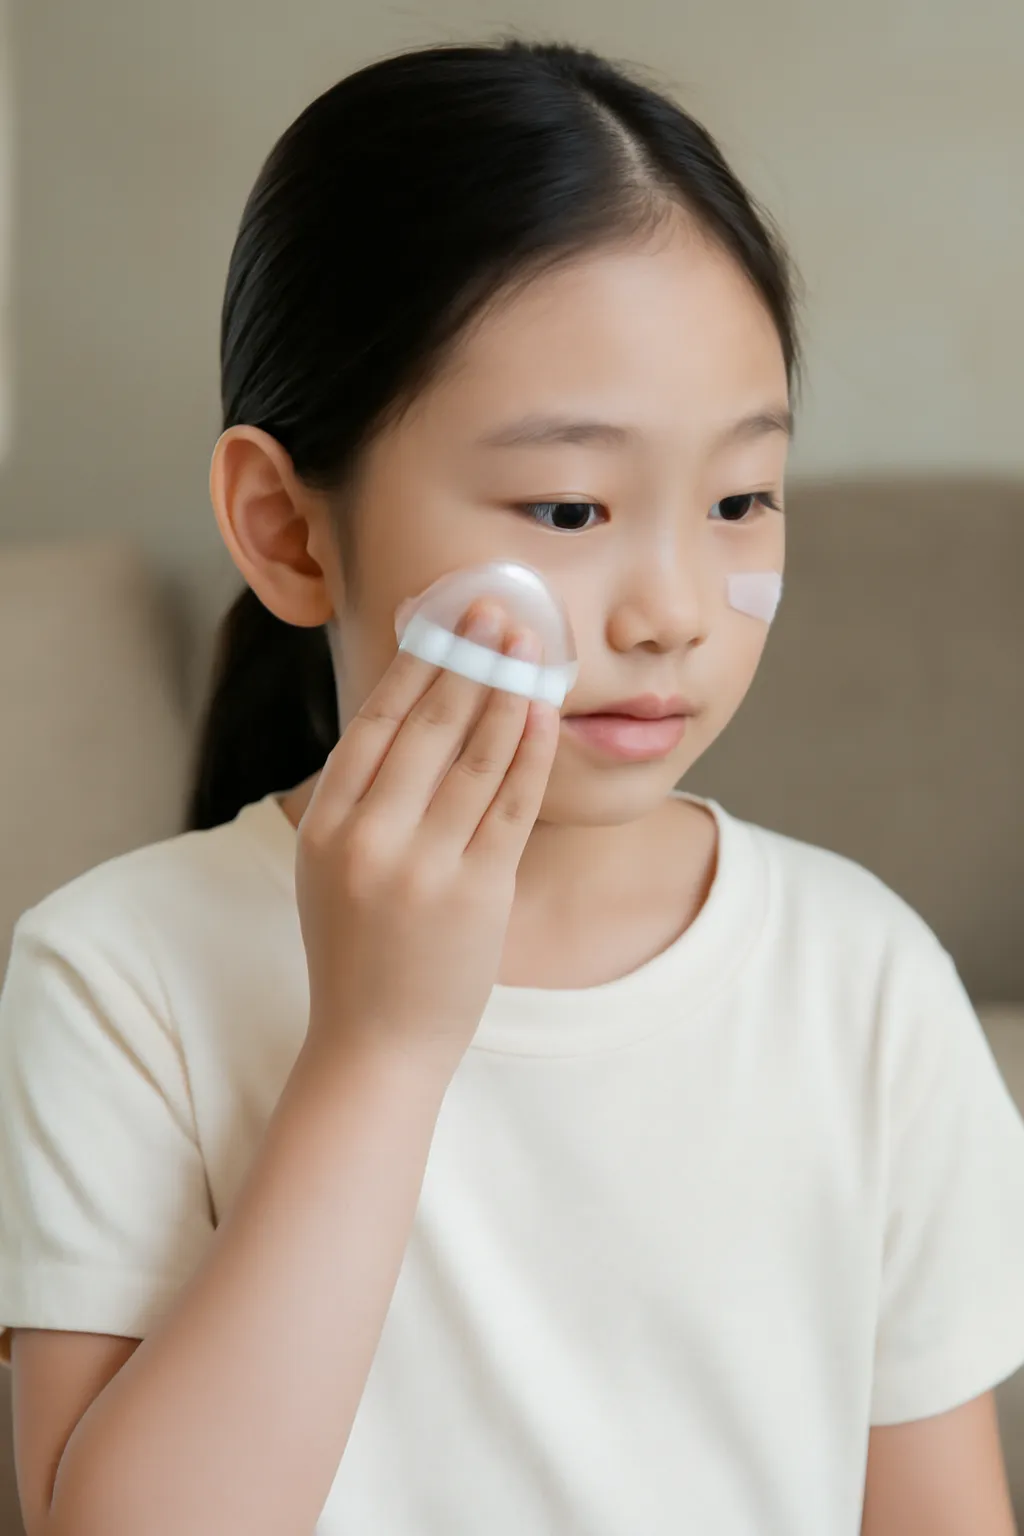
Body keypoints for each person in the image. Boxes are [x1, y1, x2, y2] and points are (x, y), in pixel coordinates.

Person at [1, 38, 1022, 1536]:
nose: (673, 608)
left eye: (740, 498)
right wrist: (378, 1046)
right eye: (569, 507)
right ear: (287, 529)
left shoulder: (862, 983)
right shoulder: (114, 977)